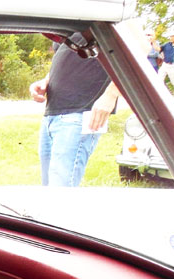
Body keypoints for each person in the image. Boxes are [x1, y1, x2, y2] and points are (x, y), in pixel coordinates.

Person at [29, 36, 121, 187]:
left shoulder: (104, 16)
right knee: (48, 190)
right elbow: (65, 57)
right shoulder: (69, 22)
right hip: (51, 115)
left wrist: (111, 95)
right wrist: (46, 81)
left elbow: (141, 48)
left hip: (81, 115)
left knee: (61, 192)